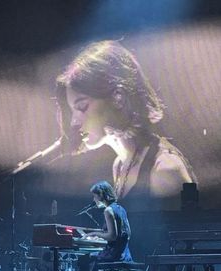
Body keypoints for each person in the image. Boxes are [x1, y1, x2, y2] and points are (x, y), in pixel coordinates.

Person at [56, 40, 197, 209]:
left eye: (82, 107)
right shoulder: (121, 164)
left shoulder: (165, 169)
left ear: (118, 98)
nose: (74, 121)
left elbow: (184, 233)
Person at [76, 180, 132, 271]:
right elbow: (127, 233)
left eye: (95, 196)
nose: (94, 199)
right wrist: (97, 233)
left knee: (84, 261)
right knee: (91, 260)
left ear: (101, 195)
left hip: (114, 254)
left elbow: (112, 236)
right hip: (124, 252)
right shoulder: (120, 209)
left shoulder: (108, 211)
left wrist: (95, 235)